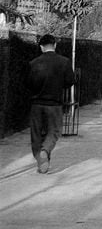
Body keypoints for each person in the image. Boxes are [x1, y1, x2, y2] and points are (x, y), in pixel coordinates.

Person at [25, 34, 75, 173]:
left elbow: (28, 83)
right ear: (55, 45)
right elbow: (70, 81)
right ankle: (45, 152)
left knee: (36, 134)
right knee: (53, 131)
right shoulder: (64, 62)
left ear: (41, 47)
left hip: (36, 103)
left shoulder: (33, 63)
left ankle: (40, 162)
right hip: (54, 104)